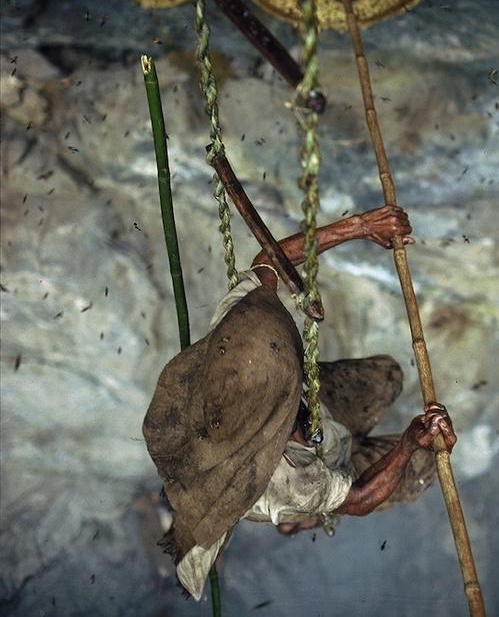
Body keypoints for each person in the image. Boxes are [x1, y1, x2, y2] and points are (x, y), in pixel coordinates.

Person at [143, 205, 456, 600]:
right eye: (287, 426)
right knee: (430, 459)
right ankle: (303, 516)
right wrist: (411, 442)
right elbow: (359, 501)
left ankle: (309, 416)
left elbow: (267, 261)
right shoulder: (288, 485)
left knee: (389, 376)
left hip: (315, 400)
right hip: (330, 468)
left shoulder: (235, 344)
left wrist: (359, 226)